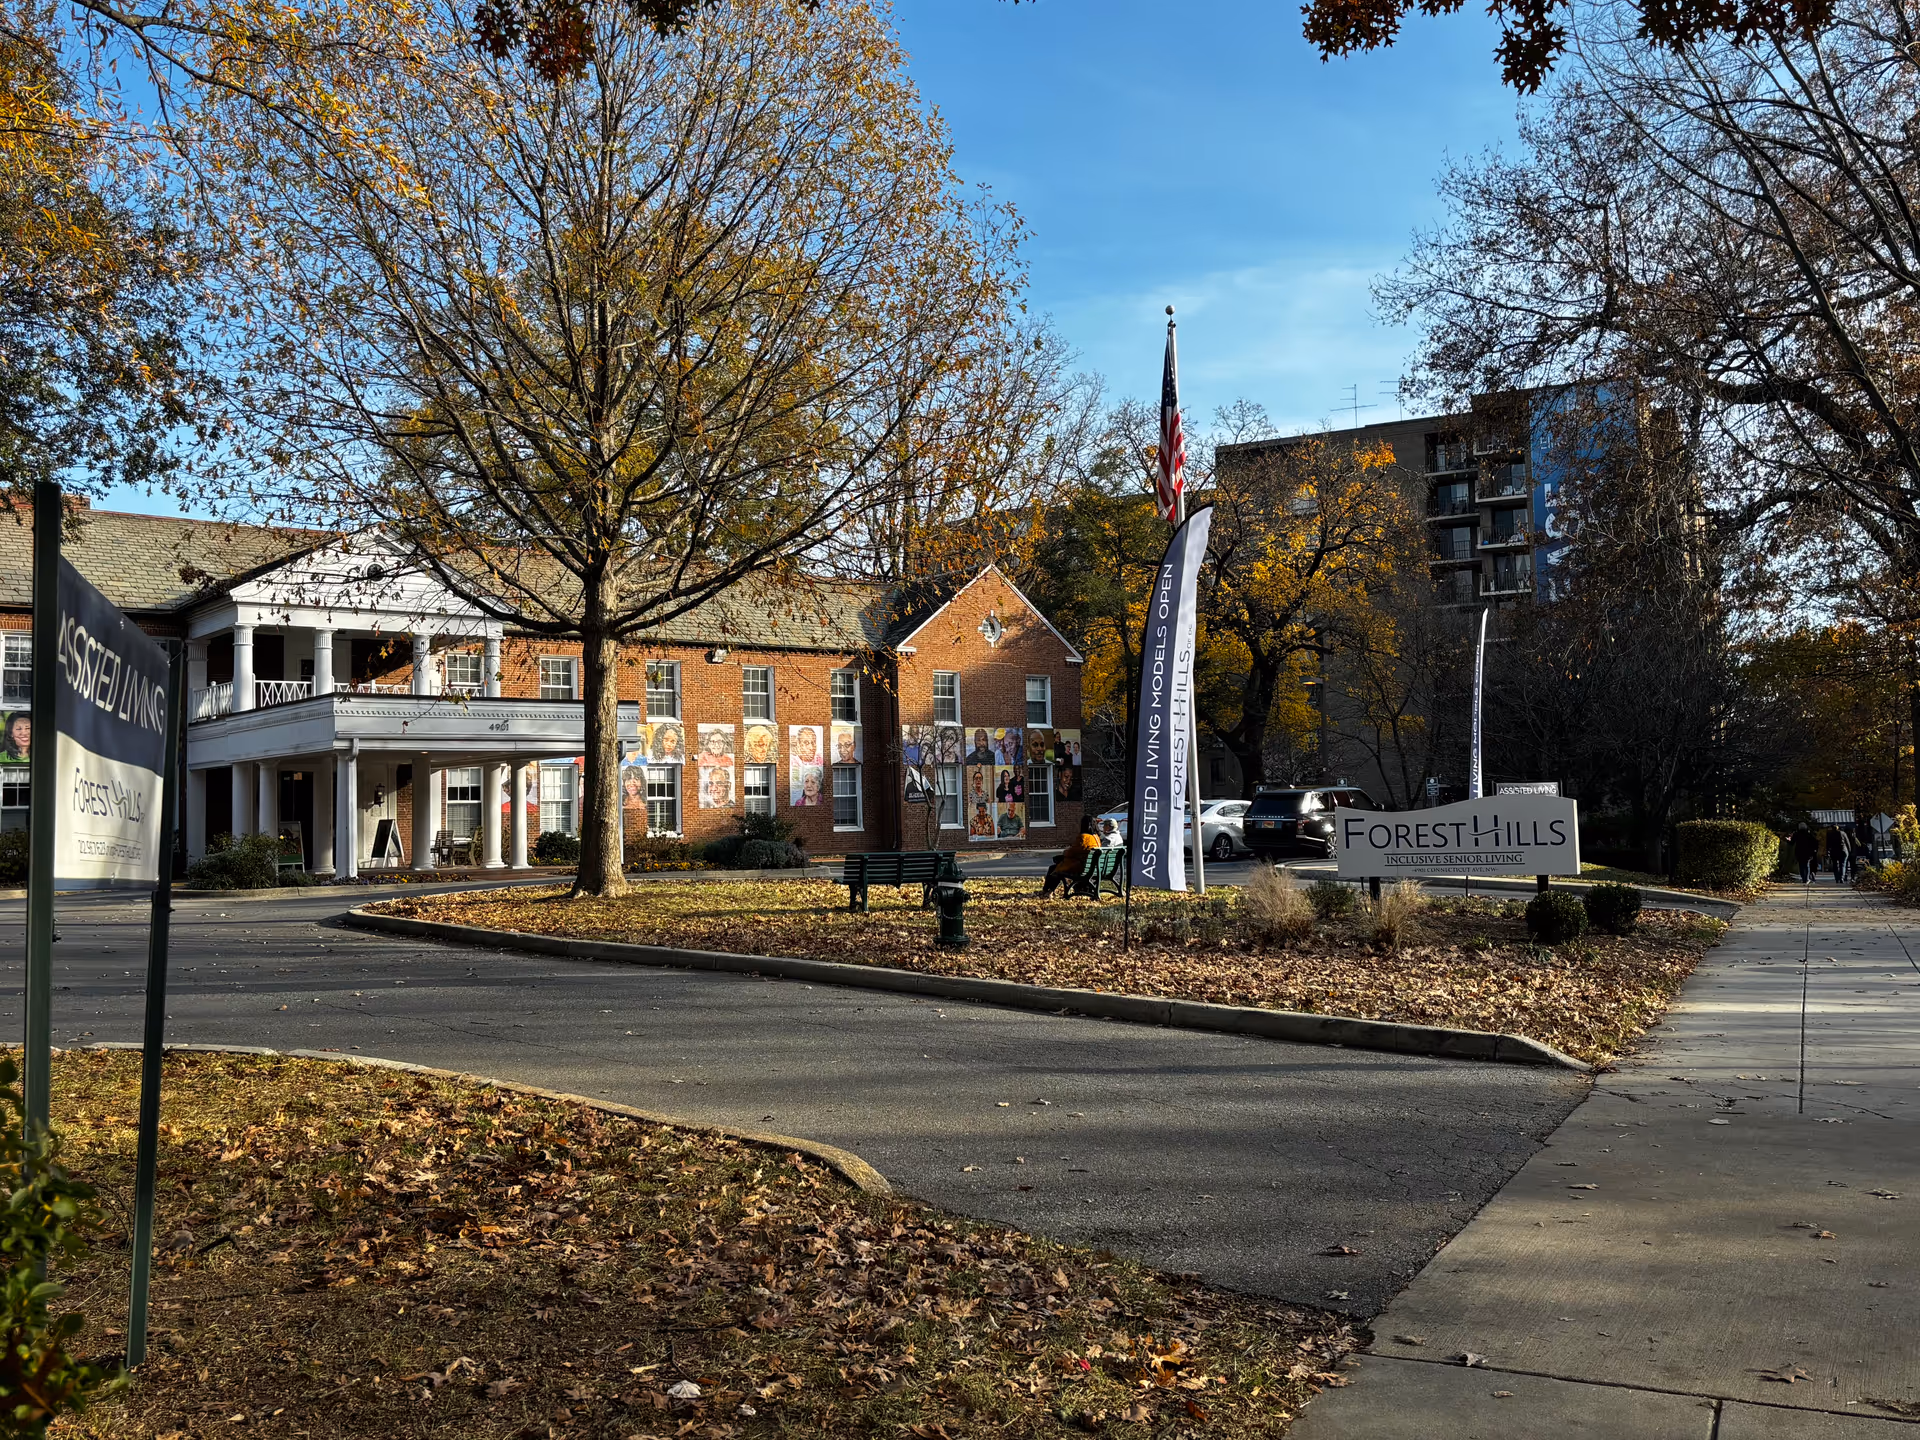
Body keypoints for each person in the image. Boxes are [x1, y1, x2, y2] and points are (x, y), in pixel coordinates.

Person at [1040, 822, 1103, 897]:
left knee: (1055, 867)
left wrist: (1065, 852)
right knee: (1057, 866)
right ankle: (1049, 891)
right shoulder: (1096, 838)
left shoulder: (1083, 837)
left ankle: (1047, 891)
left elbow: (1072, 852)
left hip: (1081, 868)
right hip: (1092, 868)